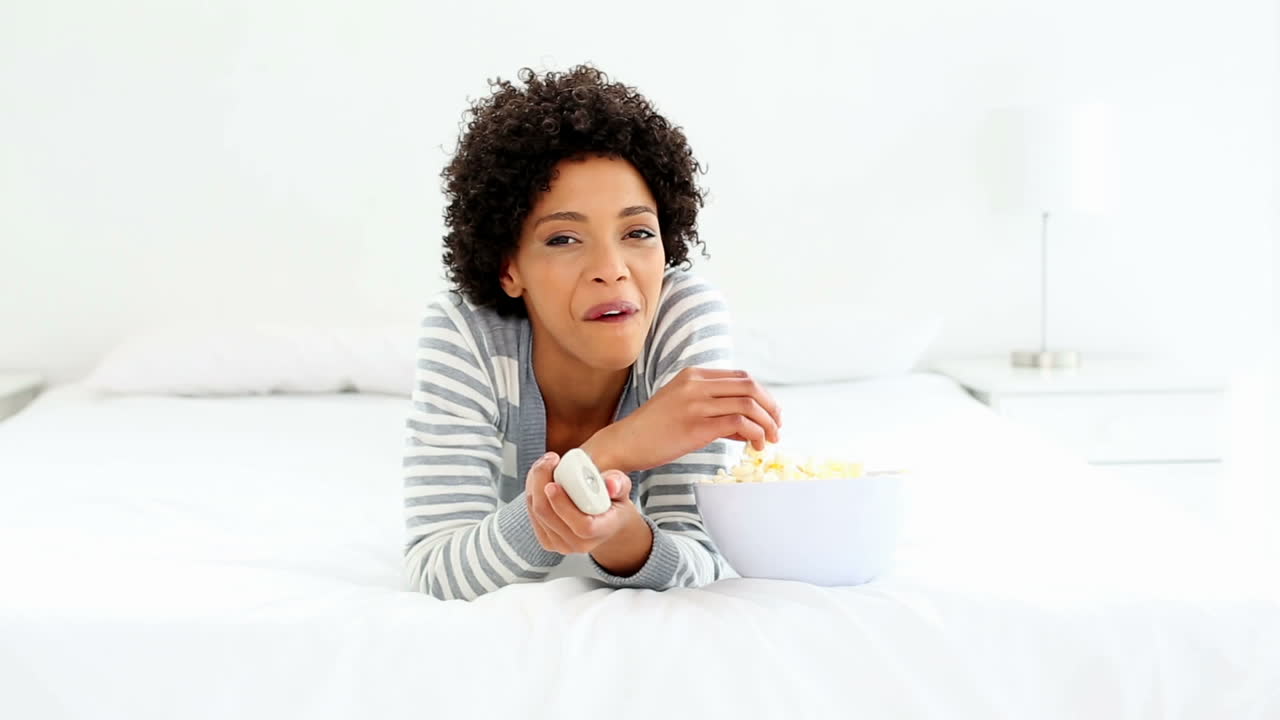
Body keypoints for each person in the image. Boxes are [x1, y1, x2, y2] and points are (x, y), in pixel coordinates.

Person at [403, 64, 782, 601]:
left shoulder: (681, 318)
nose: (612, 268)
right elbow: (436, 571)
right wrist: (606, 454)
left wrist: (621, 539)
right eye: (562, 239)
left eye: (638, 233)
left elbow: (705, 560)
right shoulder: (467, 334)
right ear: (509, 267)